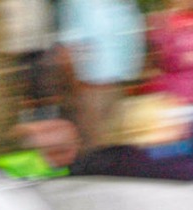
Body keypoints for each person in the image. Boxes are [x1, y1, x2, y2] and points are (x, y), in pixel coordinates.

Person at [57, 0, 145, 150]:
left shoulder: (122, 5)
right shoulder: (78, 4)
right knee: (96, 147)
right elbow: (69, 47)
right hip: (92, 90)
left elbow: (132, 38)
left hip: (121, 88)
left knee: (120, 145)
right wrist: (78, 89)